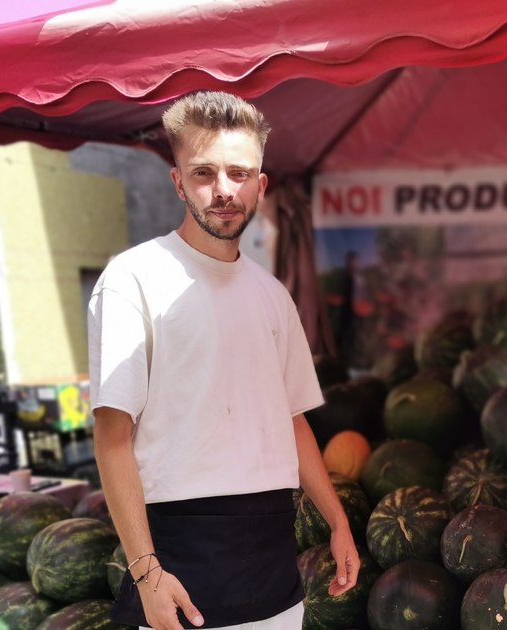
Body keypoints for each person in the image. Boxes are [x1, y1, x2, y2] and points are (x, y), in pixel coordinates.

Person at [88, 91, 359, 630]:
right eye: (204, 172)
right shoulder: (132, 278)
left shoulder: (272, 295)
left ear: (261, 185)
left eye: (239, 173)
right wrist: (146, 573)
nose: (223, 190)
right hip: (179, 568)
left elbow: (293, 420)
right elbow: (112, 435)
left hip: (277, 574)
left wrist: (337, 521)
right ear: (178, 182)